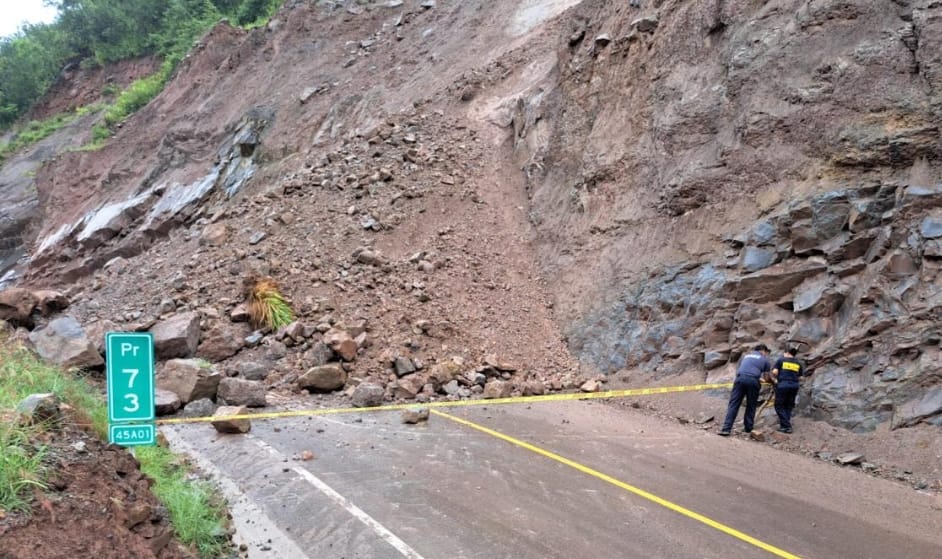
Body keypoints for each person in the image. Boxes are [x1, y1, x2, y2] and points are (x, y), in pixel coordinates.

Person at [718, 344, 771, 436]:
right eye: (766, 352)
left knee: (734, 404)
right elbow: (767, 378)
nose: (766, 354)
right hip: (753, 381)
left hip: (740, 379)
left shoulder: (746, 356)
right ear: (763, 350)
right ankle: (748, 428)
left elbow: (744, 369)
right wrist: (771, 381)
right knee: (751, 404)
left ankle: (726, 428)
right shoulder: (765, 360)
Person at [770, 346, 807, 433]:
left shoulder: (781, 360)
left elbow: (774, 372)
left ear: (787, 352)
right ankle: (784, 426)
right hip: (794, 386)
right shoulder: (798, 363)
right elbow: (801, 377)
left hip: (783, 385)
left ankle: (787, 426)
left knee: (779, 405)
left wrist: (776, 378)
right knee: (789, 405)